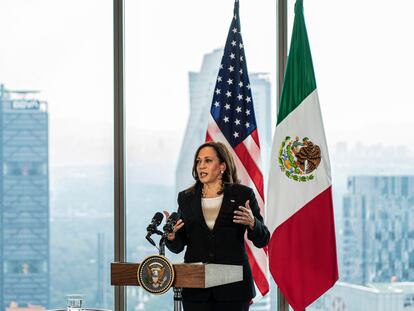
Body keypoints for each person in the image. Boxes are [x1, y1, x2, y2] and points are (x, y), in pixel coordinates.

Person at [165, 141, 270, 311]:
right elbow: (179, 245)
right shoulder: (186, 198)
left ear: (222, 166)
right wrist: (172, 236)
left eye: (207, 160)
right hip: (196, 290)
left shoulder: (243, 194)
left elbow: (262, 239)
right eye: (198, 161)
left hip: (233, 289)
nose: (201, 166)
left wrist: (252, 223)